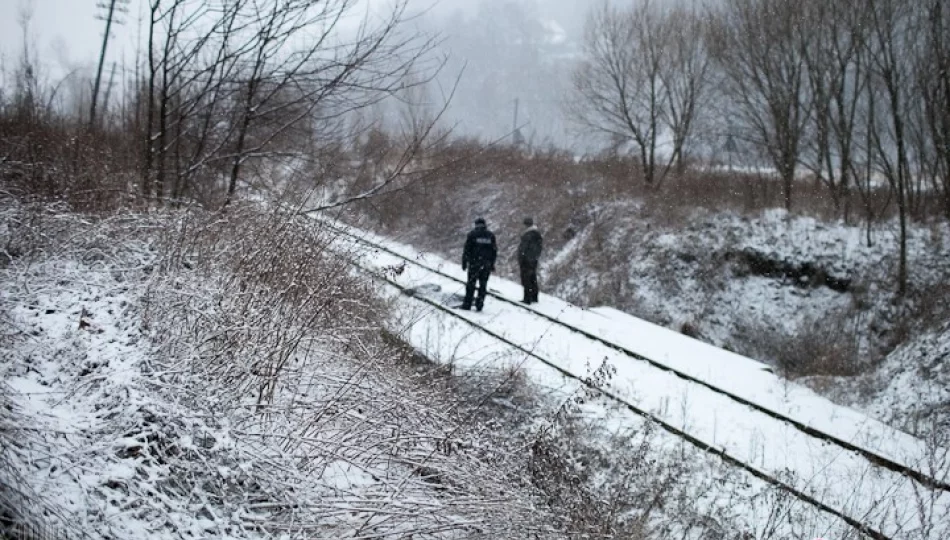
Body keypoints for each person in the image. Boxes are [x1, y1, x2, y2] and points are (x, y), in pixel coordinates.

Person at [460, 217, 497, 311]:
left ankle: (467, 304)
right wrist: (492, 264)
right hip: (486, 264)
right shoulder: (490, 235)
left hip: (474, 264)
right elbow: (494, 251)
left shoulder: (472, 234)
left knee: (471, 284)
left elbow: (467, 250)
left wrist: (464, 262)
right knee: (483, 285)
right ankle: (480, 304)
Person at [518, 217, 543, 304]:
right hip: (534, 260)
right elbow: (539, 248)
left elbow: (523, 248)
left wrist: (521, 258)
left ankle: (527, 298)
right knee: (533, 278)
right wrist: (535, 257)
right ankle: (534, 296)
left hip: (526, 260)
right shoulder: (537, 234)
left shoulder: (527, 235)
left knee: (526, 279)